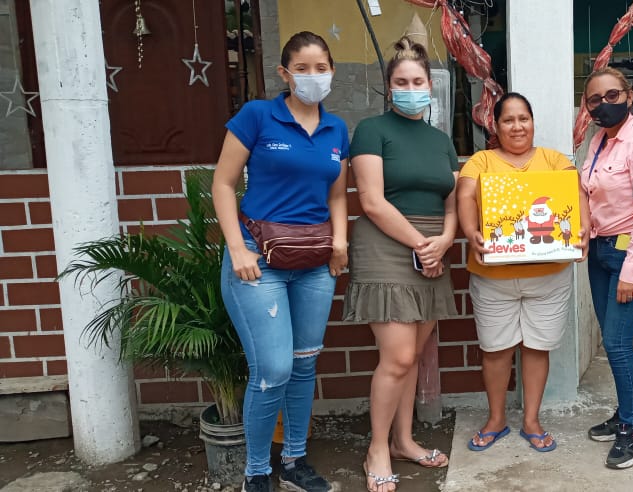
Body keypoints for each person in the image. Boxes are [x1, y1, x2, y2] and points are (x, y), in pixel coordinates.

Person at [213, 31, 348, 492]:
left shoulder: (336, 129)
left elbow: (337, 195)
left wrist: (340, 242)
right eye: (303, 68)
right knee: (273, 370)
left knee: (304, 365)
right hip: (258, 261)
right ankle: (256, 473)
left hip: (314, 263)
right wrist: (236, 248)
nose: (313, 76)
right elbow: (223, 184)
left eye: (321, 68)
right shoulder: (257, 116)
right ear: (284, 73)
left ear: (332, 71)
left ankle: (294, 460)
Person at [345, 36, 458, 492]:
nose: (410, 89)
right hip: (388, 244)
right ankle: (377, 448)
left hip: (432, 246)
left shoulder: (441, 140)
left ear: (430, 85)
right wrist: (421, 244)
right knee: (399, 356)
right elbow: (371, 201)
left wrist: (444, 241)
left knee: (414, 355)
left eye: (418, 81)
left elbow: (453, 201)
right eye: (401, 82)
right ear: (388, 87)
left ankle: (404, 440)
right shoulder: (371, 130)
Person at [457, 93, 589, 455]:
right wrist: (470, 231)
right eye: (508, 120)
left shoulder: (555, 160)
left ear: (532, 122)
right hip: (493, 277)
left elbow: (576, 194)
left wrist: (585, 228)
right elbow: (465, 196)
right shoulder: (481, 161)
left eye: (523, 119)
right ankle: (496, 419)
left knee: (536, 347)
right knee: (495, 350)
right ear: (496, 125)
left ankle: (531, 420)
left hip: (548, 277)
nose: (517, 126)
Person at [580, 67, 633, 469]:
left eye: (612, 96)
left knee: (616, 342)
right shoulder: (598, 140)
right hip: (600, 251)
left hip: (629, 253)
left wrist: (632, 270)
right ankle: (629, 412)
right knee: (611, 340)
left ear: (629, 95)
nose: (604, 105)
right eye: (594, 100)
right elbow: (586, 191)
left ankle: (630, 428)